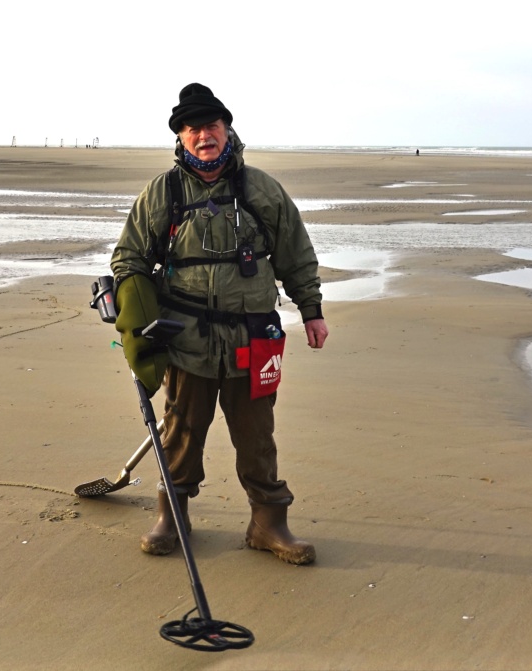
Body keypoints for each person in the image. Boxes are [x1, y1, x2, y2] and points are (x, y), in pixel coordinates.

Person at [110, 83, 328, 565]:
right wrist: (133, 319)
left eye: (211, 126)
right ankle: (173, 516)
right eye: (193, 129)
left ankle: (268, 524)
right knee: (182, 430)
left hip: (254, 338)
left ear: (226, 130)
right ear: (182, 138)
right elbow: (128, 259)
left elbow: (296, 253)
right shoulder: (161, 193)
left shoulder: (260, 188)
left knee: (257, 435)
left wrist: (310, 310)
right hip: (185, 339)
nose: (203, 135)